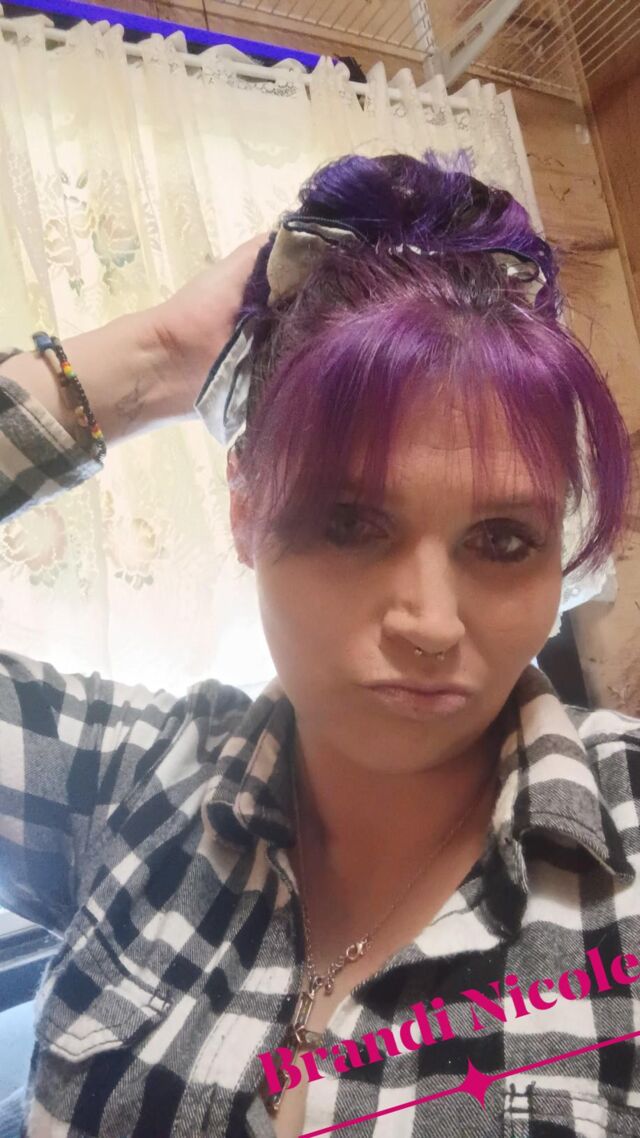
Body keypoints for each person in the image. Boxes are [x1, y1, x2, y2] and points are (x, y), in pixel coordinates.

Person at [0, 151, 639, 1138]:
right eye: (350, 524)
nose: (429, 624)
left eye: (503, 541)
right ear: (245, 509)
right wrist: (154, 360)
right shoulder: (119, 777)